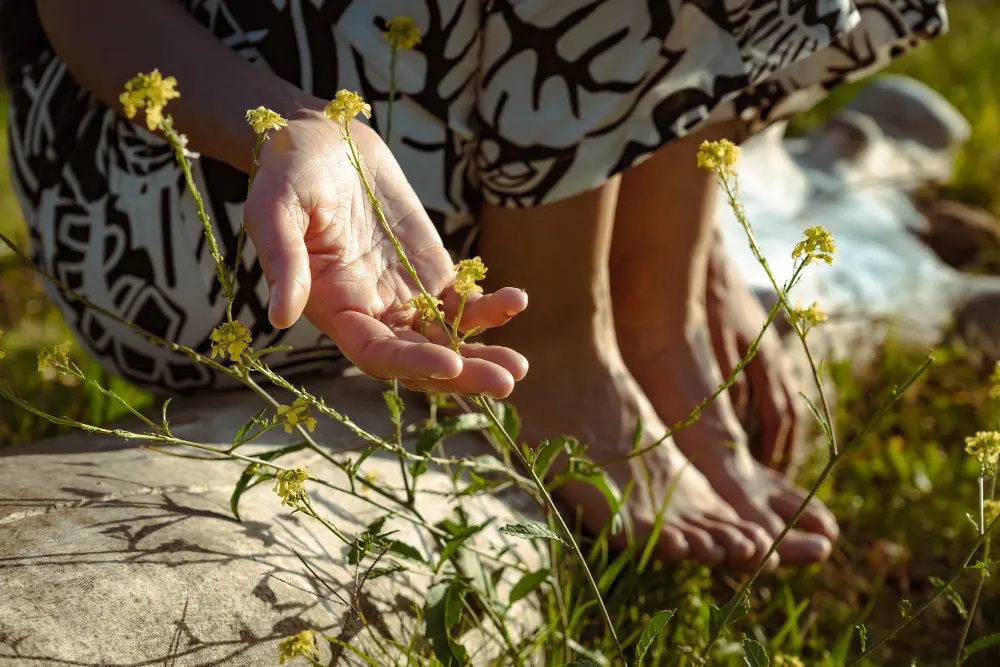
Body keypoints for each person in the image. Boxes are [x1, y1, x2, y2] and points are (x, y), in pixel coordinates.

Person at [0, 0, 947, 570]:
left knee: (677, 289)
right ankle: (566, 346)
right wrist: (294, 129)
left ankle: (640, 300)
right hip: (198, 183)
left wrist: (671, 272)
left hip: (438, 149)